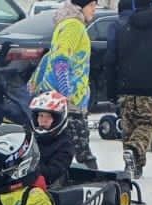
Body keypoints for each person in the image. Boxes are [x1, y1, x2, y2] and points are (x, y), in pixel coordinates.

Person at [105, 0, 152, 179]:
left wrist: (111, 89)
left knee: (129, 127)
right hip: (150, 88)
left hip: (125, 87)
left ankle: (135, 167)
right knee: (148, 123)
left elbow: (111, 60)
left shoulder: (123, 29)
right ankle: (134, 151)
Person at [29, 0, 99, 169]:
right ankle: (94, 185)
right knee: (81, 148)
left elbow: (49, 56)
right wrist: (65, 93)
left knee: (55, 144)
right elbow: (61, 59)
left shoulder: (66, 24)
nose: (94, 10)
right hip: (66, 101)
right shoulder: (74, 26)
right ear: (82, 6)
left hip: (59, 98)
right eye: (92, 5)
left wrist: (36, 80)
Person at [29, 91, 74, 187]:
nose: (43, 120)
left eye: (48, 116)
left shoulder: (65, 145)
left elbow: (52, 173)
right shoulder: (30, 137)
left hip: (50, 188)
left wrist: (28, 165)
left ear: (58, 119)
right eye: (40, 115)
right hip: (27, 183)